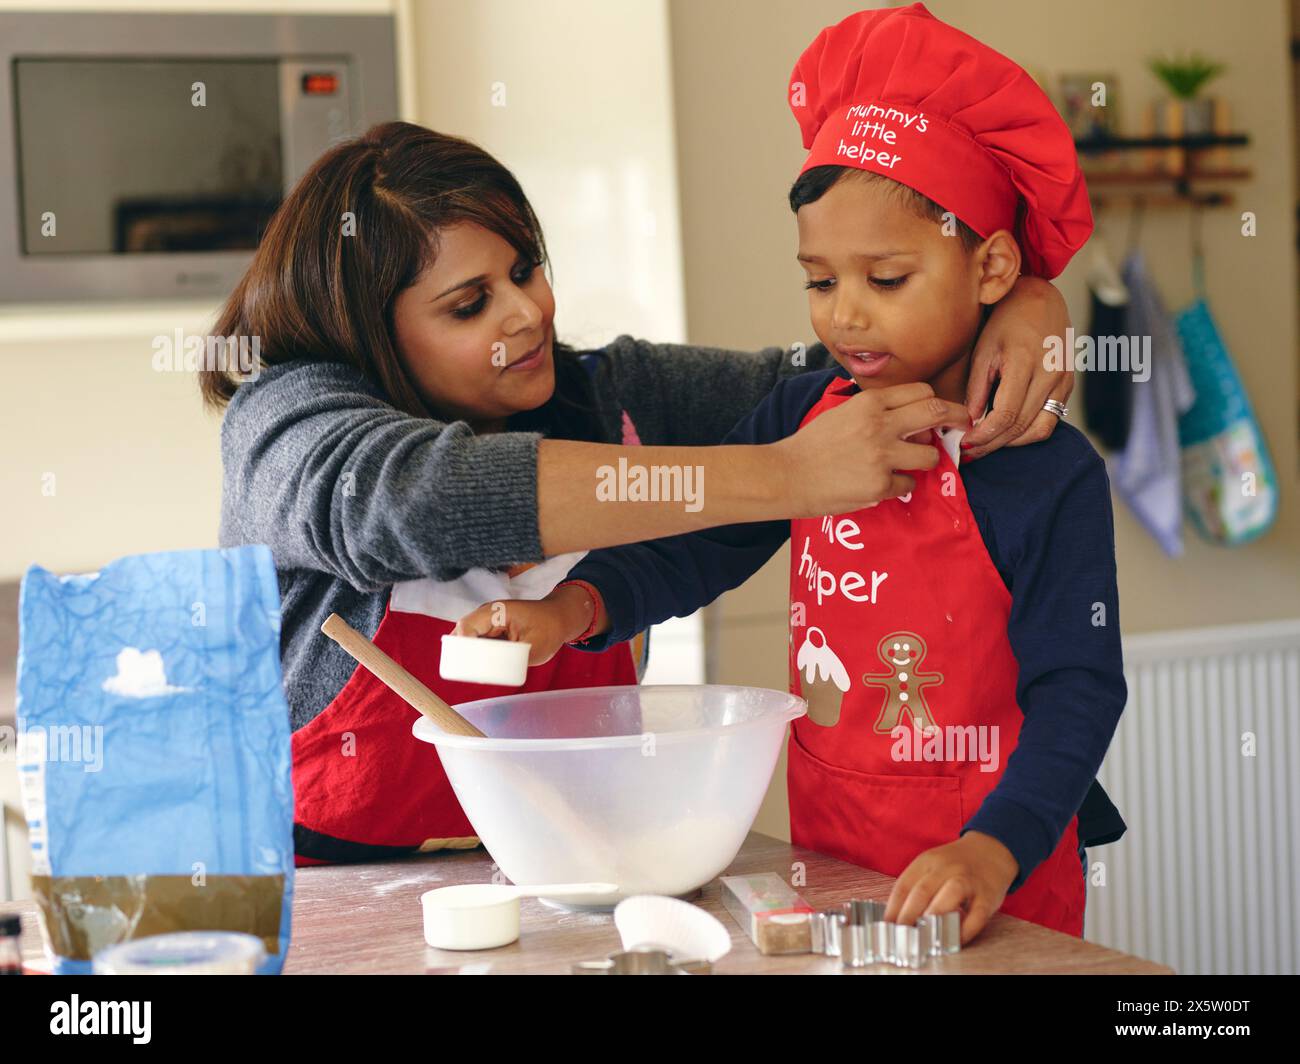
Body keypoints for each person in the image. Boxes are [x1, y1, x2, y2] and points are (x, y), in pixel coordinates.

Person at [204, 114, 1072, 865]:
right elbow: (412, 500)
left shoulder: (614, 394)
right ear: (370, 331)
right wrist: (782, 475)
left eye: (526, 268)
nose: (527, 312)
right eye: (470, 304)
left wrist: (1023, 304)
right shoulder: (286, 417)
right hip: (315, 887)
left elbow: (850, 371)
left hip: (570, 862)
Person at [455, 4, 1127, 941]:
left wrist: (996, 846)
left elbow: (1080, 687)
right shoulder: (806, 414)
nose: (844, 318)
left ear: (993, 269)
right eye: (820, 281)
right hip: (835, 854)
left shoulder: (1045, 473)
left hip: (995, 881)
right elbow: (699, 545)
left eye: (884, 281)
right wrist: (571, 610)